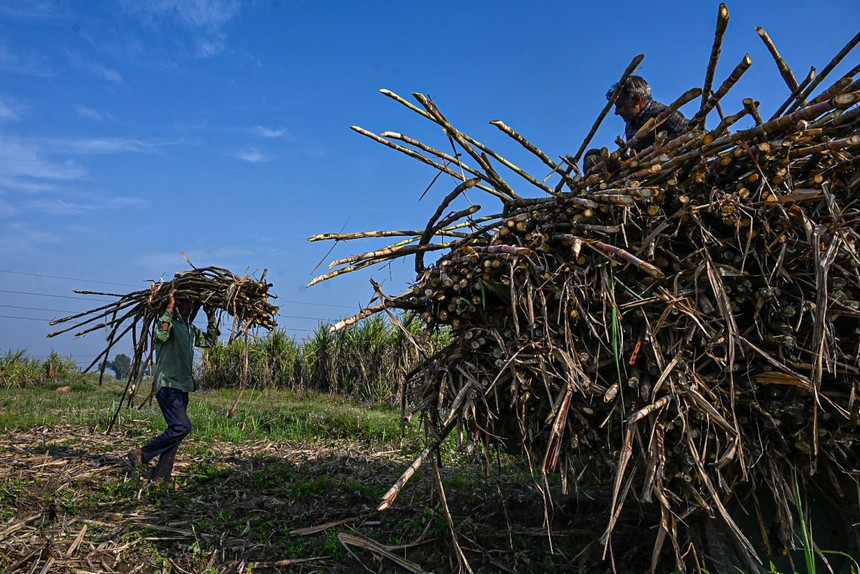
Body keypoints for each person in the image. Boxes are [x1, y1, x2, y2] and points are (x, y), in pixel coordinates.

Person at [127, 289, 219, 481]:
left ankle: (161, 477)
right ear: (177, 305)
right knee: (182, 426)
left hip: (182, 387)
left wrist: (211, 318)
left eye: (192, 305)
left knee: (175, 435)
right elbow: (160, 335)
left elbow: (210, 341)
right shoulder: (169, 324)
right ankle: (142, 454)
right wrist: (168, 307)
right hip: (167, 385)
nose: (188, 308)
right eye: (185, 303)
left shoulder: (190, 329)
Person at [584, 76, 688, 174]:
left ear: (637, 100)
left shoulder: (664, 116)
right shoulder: (631, 123)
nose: (616, 112)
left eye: (620, 106)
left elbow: (694, 134)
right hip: (633, 168)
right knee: (592, 156)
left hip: (658, 170)